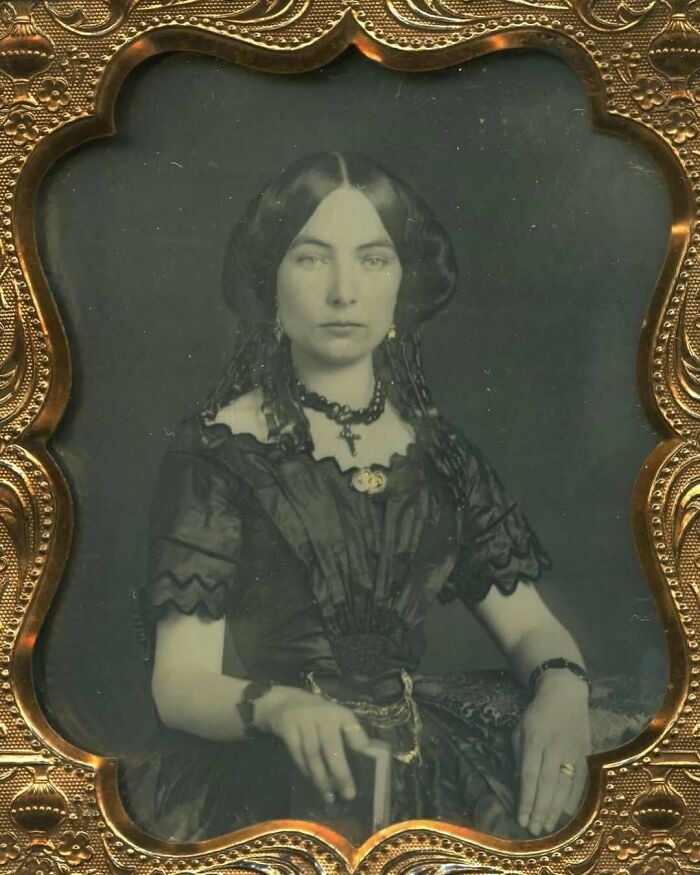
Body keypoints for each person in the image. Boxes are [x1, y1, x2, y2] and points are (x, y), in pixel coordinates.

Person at [125, 151, 592, 843]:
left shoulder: (440, 455)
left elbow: (527, 626)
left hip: (428, 763)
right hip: (266, 781)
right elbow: (179, 683)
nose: (345, 291)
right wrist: (280, 707)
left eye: (373, 259)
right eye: (312, 259)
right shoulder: (220, 453)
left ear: (401, 284)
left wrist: (562, 688)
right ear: (272, 284)